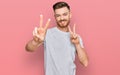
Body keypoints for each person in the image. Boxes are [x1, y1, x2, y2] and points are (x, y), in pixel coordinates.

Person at [25, 1, 88, 75]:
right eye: (58, 15)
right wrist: (35, 42)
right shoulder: (47, 33)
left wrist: (77, 44)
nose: (61, 18)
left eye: (65, 14)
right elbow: (28, 48)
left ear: (70, 15)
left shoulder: (76, 37)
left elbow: (85, 62)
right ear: (55, 17)